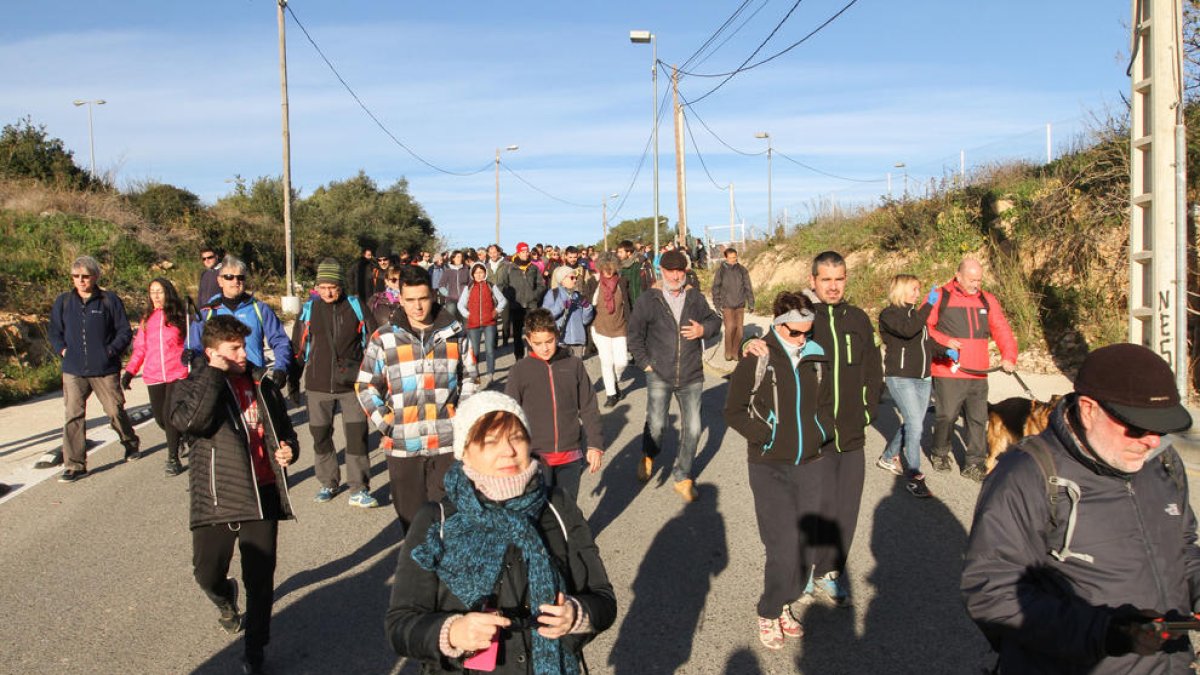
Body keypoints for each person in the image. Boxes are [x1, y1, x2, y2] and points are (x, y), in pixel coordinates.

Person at [961, 343, 1197, 674]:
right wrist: (1103, 633)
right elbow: (991, 592)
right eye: (1137, 426)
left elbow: (1184, 548)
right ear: (1088, 409)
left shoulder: (1163, 463)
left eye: (1160, 428)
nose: (1152, 441)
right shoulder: (1028, 474)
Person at [385, 391, 617, 674]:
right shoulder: (437, 521)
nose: (508, 450)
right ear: (464, 451)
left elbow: (603, 599)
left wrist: (576, 615)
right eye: (490, 441)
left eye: (517, 437)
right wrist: (451, 632)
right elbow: (400, 625)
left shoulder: (557, 506)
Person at [743, 250, 882, 608]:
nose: (833, 287)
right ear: (813, 280)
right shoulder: (805, 318)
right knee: (810, 509)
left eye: (839, 279)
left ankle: (828, 572)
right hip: (812, 436)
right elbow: (773, 343)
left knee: (844, 510)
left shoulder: (857, 319)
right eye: (826, 280)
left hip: (851, 434)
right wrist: (748, 343)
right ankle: (801, 574)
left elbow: (872, 368)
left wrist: (868, 411)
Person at [170, 315, 298, 675]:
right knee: (206, 573)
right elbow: (190, 423)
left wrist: (289, 450)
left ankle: (254, 651)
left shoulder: (263, 384)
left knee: (261, 581)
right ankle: (225, 599)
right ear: (212, 352)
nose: (246, 352)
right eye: (235, 348)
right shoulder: (192, 384)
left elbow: (286, 432)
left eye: (246, 345)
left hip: (264, 494)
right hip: (218, 496)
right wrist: (213, 372)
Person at [724, 291, 831, 650]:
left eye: (807, 332)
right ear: (779, 325)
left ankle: (786, 601)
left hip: (812, 462)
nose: (803, 339)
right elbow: (733, 411)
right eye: (795, 333)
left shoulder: (816, 356)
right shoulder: (760, 356)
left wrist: (823, 433)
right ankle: (769, 611)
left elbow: (826, 403)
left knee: (805, 547)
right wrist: (765, 434)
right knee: (782, 545)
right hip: (769, 465)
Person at [357, 265, 479, 529]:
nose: (417, 307)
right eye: (410, 300)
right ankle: (419, 571)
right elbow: (366, 385)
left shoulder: (455, 334)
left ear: (433, 295)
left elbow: (470, 378)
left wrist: (461, 419)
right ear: (400, 299)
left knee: (448, 522)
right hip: (403, 446)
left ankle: (445, 571)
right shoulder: (384, 338)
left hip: (447, 443)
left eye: (423, 298)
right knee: (412, 527)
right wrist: (387, 423)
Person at [627, 250, 722, 502]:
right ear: (662, 272)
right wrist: (645, 363)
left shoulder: (695, 297)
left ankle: (682, 476)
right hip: (659, 373)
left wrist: (704, 329)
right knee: (657, 425)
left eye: (680, 270)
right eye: (671, 270)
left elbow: (715, 320)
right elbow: (634, 334)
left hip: (691, 374)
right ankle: (648, 454)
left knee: (693, 428)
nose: (676, 275)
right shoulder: (649, 299)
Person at [290, 259, 377, 508]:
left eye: (333, 287)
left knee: (356, 435)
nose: (328, 292)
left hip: (351, 385)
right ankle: (328, 482)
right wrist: (294, 382)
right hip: (317, 385)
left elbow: (375, 341)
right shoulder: (309, 310)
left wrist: (375, 379)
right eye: (323, 287)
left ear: (341, 286)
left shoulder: (356, 307)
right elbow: (298, 347)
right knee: (320, 436)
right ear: (317, 287)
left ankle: (358, 488)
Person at [46, 256, 141, 480]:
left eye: (85, 276)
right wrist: (62, 350)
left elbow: (124, 331)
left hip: (105, 369)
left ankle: (130, 441)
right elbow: (54, 331)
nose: (81, 281)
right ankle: (75, 465)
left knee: (115, 411)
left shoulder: (109, 300)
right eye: (76, 277)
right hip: (74, 369)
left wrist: (110, 351)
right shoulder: (64, 302)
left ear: (95, 277)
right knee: (73, 416)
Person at [926, 257, 1018, 481]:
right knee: (947, 415)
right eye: (971, 279)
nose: (976, 284)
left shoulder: (987, 299)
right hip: (949, 369)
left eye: (979, 279)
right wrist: (946, 341)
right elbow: (925, 327)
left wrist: (1009, 356)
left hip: (979, 371)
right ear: (958, 276)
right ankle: (940, 452)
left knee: (977, 419)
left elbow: (1001, 329)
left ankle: (974, 463)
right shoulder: (940, 295)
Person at [505, 309, 604, 501]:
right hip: (535, 458)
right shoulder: (520, 371)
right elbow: (510, 415)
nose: (544, 348)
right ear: (528, 340)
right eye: (538, 343)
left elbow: (588, 406)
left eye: (549, 341)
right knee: (539, 513)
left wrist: (595, 444)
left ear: (557, 335)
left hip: (571, 455)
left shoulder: (573, 364)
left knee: (567, 511)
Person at [187, 255, 292, 392]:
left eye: (240, 277)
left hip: (253, 380)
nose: (236, 281)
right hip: (218, 383)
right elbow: (193, 346)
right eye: (229, 277)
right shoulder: (208, 312)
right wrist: (189, 356)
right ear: (220, 281)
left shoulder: (260, 309)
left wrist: (281, 368)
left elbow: (280, 341)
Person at [875, 274, 937, 498]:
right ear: (900, 290)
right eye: (913, 289)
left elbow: (925, 342)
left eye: (919, 290)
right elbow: (908, 330)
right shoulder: (889, 314)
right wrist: (928, 305)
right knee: (915, 425)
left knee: (914, 423)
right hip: (901, 378)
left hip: (923, 378)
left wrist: (946, 349)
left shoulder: (915, 315)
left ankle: (888, 457)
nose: (918, 294)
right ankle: (914, 476)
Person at [123, 277, 191, 476]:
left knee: (170, 415)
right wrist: (129, 371)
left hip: (176, 373)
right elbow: (140, 349)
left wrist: (190, 356)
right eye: (152, 291)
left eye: (159, 291)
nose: (156, 295)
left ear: (168, 292)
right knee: (160, 418)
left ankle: (173, 458)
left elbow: (192, 340)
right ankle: (182, 436)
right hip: (154, 374)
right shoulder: (147, 319)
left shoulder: (180, 315)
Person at [590, 253, 633, 407]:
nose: (608, 272)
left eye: (611, 268)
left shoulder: (622, 282)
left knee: (622, 361)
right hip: (600, 328)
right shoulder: (594, 283)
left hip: (620, 327)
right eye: (605, 269)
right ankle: (611, 394)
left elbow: (629, 304)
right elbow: (587, 304)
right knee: (606, 361)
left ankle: (615, 380)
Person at [458, 261, 508, 386]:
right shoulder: (468, 288)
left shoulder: (491, 286)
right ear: (472, 274)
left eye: (481, 272)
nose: (479, 275)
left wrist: (496, 311)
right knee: (474, 352)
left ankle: (490, 375)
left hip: (489, 323)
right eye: (476, 273)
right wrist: (467, 315)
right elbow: (460, 304)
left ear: (485, 273)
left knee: (490, 350)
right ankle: (476, 374)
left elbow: (502, 301)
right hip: (473, 325)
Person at [711, 247, 755, 362]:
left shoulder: (742, 270)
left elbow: (748, 287)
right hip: (727, 304)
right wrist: (717, 304)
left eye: (735, 258)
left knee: (739, 330)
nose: (733, 260)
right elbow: (715, 288)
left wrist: (751, 302)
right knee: (730, 328)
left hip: (740, 303)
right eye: (730, 258)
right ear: (726, 258)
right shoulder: (721, 271)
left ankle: (736, 352)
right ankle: (728, 352)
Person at [542, 266, 595, 359]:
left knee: (576, 370)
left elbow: (585, 321)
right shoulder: (552, 294)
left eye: (576, 278)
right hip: (560, 340)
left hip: (577, 340)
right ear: (562, 280)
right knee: (561, 370)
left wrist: (587, 308)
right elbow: (546, 316)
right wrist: (562, 305)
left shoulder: (578, 296)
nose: (575, 280)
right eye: (571, 278)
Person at [505, 242, 546, 360]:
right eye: (523, 251)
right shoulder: (510, 268)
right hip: (516, 306)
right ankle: (519, 358)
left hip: (531, 305)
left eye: (527, 251)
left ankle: (532, 356)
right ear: (518, 253)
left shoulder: (533, 267)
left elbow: (541, 285)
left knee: (532, 333)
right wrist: (511, 299)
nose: (526, 253)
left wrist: (534, 296)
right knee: (517, 334)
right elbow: (504, 286)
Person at [485, 245, 513, 345]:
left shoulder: (507, 265)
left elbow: (512, 280)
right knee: (493, 320)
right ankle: (495, 341)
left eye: (494, 252)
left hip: (504, 295)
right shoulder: (485, 266)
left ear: (499, 252)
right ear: (488, 254)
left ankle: (505, 340)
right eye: (490, 252)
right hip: (491, 296)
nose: (493, 254)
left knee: (506, 320)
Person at [366, 264, 404, 334]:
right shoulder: (375, 300)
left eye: (401, 279)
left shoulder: (411, 299)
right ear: (386, 281)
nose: (398, 283)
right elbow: (369, 327)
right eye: (394, 280)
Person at [438, 250, 470, 323]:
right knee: (450, 318)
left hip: (464, 300)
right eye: (458, 257)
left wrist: (468, 295)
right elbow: (441, 285)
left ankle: (466, 333)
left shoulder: (466, 270)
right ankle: (452, 333)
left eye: (461, 257)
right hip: (451, 300)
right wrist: (448, 294)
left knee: (466, 321)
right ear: (453, 258)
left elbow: (470, 284)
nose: (460, 258)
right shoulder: (448, 271)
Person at [615, 240, 645, 305]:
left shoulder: (639, 264)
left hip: (639, 303)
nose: (618, 254)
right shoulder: (621, 266)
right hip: (627, 303)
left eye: (621, 252)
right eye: (618, 252)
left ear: (628, 252)